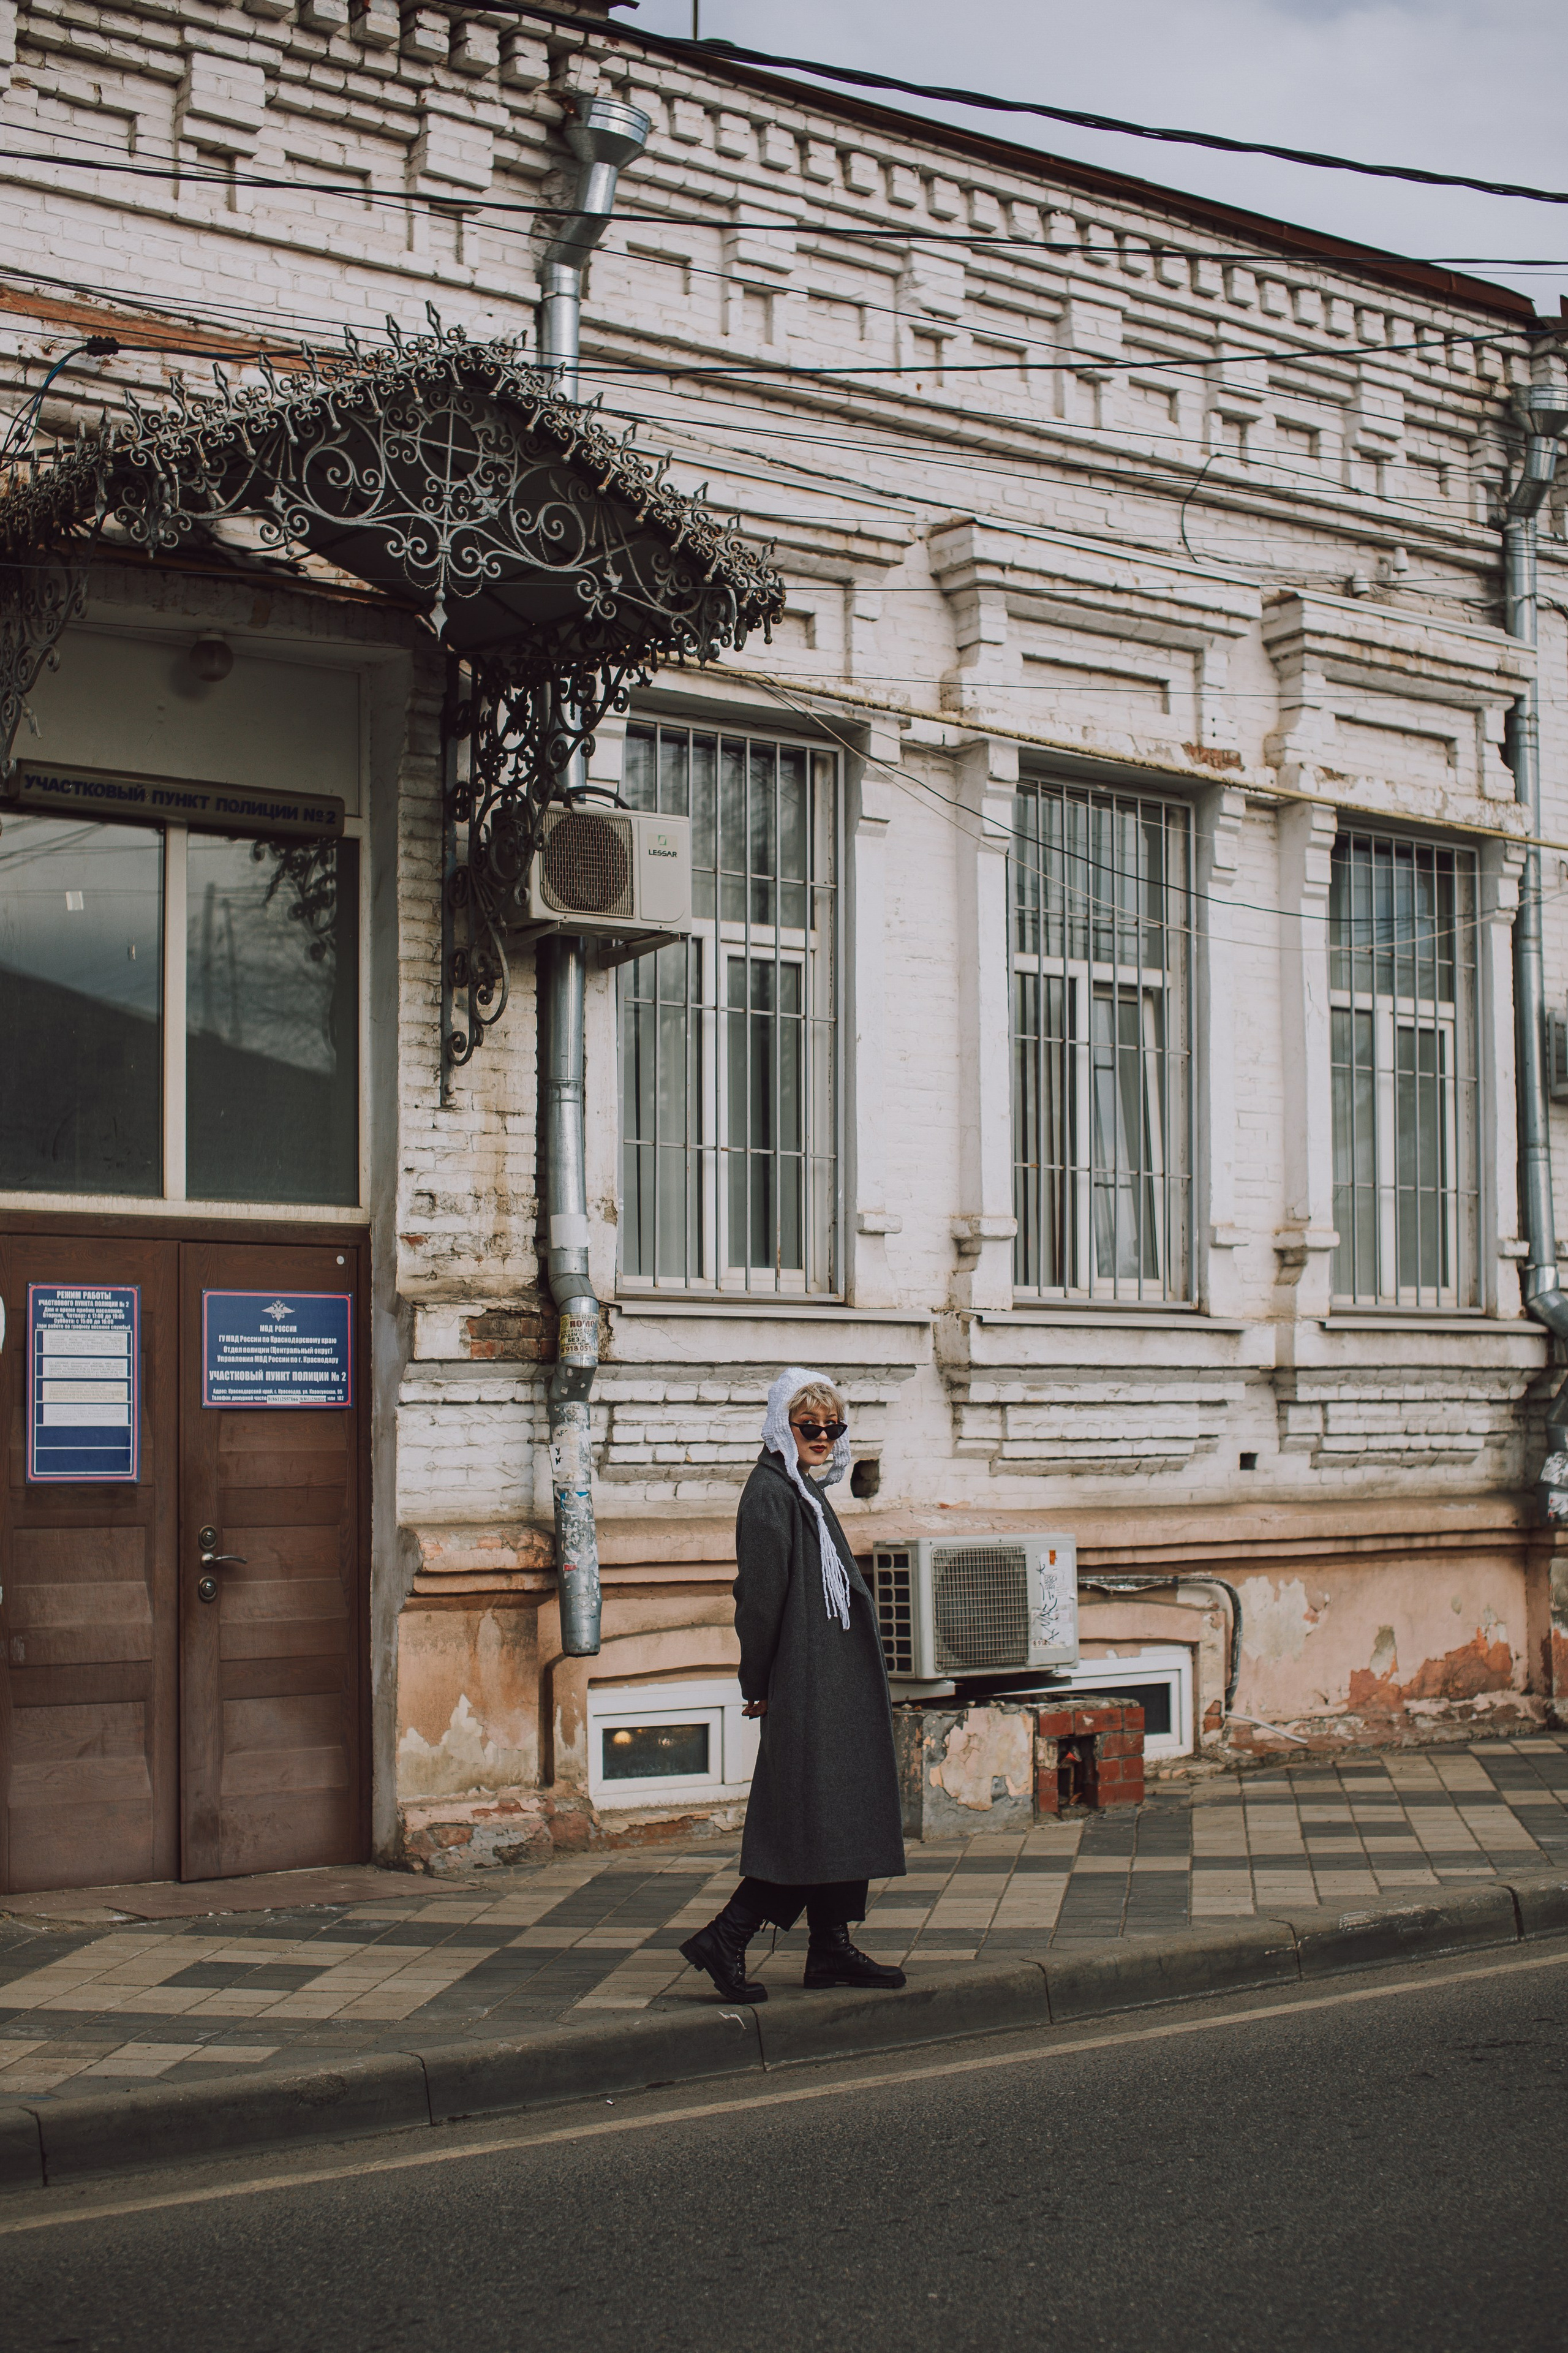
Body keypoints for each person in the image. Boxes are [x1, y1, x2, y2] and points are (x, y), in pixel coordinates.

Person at [680, 1365, 907, 2003]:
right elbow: (758, 1599)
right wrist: (758, 1678)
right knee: (809, 1814)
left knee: (840, 1809)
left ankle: (828, 1946)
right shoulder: (770, 1494)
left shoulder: (802, 1488)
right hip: (808, 1680)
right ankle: (726, 1936)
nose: (825, 1437)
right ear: (783, 1425)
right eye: (810, 1426)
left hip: (834, 1679)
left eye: (833, 1427)